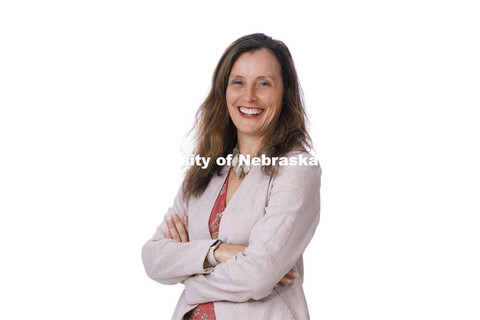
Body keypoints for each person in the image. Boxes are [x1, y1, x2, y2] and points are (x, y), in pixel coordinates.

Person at [142, 33, 321, 320]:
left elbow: (257, 276)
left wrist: (189, 275)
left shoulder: (297, 167)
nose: (249, 96)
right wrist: (219, 252)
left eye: (264, 83)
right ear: (223, 91)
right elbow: (153, 259)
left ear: (284, 93)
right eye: (238, 82)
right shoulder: (207, 169)